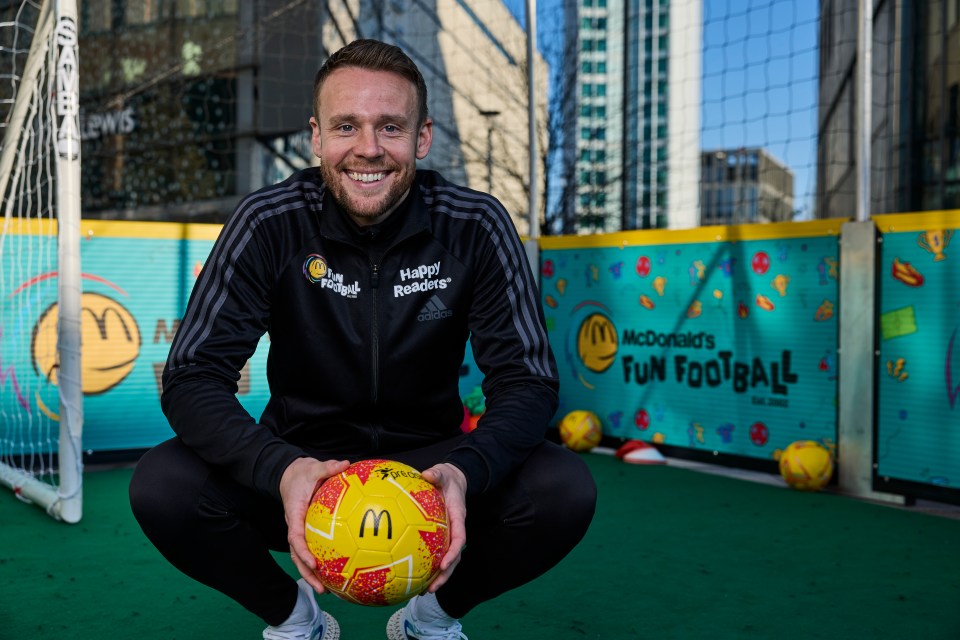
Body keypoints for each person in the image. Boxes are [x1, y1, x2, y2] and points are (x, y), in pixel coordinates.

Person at [129, 38, 597, 640]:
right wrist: (281, 468)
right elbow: (193, 376)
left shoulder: (476, 224)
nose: (368, 149)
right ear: (317, 137)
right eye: (346, 126)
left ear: (422, 138)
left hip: (430, 472)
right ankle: (298, 618)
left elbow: (526, 380)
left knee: (562, 489)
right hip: (306, 469)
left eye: (391, 127)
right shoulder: (268, 223)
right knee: (164, 485)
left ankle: (429, 617)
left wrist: (465, 471)